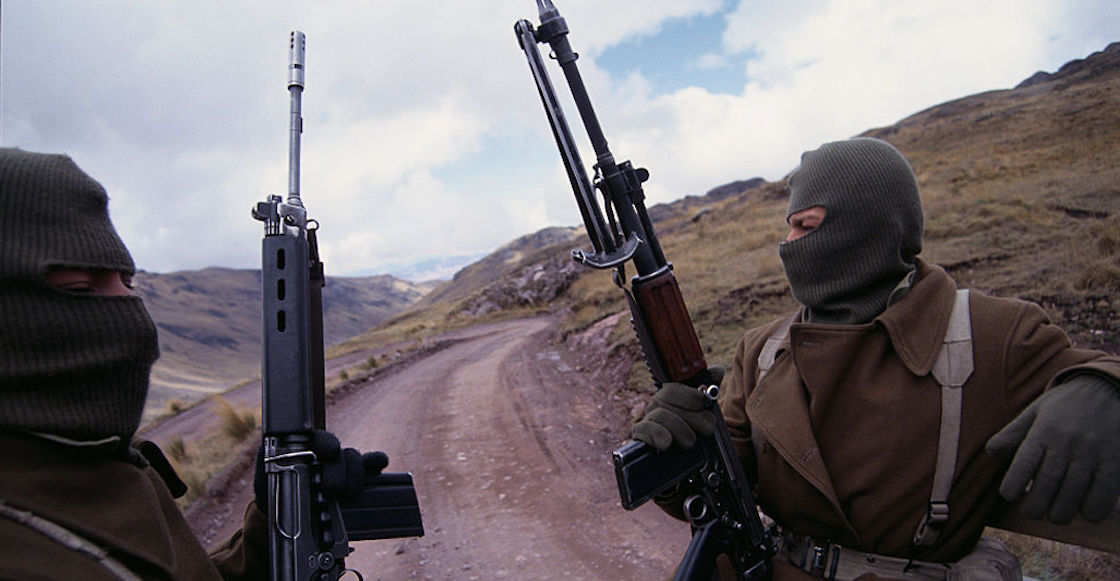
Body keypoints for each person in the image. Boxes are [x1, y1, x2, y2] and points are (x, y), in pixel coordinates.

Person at [632, 137, 1120, 580]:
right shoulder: (761, 348)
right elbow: (727, 486)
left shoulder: (990, 333)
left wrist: (1100, 389)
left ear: (868, 228)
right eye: (790, 227)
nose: (788, 246)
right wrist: (680, 458)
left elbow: (1096, 368)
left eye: (807, 226)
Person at [0, 148, 381, 580]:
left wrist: (278, 524)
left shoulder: (100, 465)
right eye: (79, 288)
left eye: (127, 281)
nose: (128, 308)